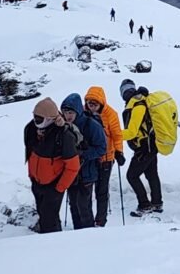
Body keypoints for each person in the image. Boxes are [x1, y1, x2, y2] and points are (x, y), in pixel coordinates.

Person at [24, 98, 80, 234]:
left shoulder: (64, 135)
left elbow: (73, 167)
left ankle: (52, 247)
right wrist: (32, 177)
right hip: (37, 183)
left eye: (39, 119)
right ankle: (53, 240)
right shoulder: (30, 129)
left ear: (50, 118)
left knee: (49, 221)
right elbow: (30, 154)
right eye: (35, 117)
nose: (35, 121)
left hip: (53, 185)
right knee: (45, 216)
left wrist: (59, 189)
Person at [60, 94, 106, 230]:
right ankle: (77, 234)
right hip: (71, 173)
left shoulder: (91, 125)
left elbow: (102, 148)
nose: (67, 115)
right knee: (73, 205)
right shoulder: (64, 126)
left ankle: (88, 235)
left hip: (87, 173)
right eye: (65, 112)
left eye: (70, 112)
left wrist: (82, 154)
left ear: (78, 111)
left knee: (83, 206)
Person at [119, 79, 162, 216]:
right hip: (151, 145)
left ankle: (144, 204)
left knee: (131, 176)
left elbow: (132, 131)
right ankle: (156, 203)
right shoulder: (140, 101)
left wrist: (113, 135)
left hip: (144, 147)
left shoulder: (138, 105)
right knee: (151, 175)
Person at [84, 86, 124, 227]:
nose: (91, 106)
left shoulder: (111, 114)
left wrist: (119, 151)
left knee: (101, 190)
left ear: (101, 102)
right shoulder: (83, 113)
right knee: (86, 190)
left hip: (106, 158)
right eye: (89, 102)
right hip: (89, 158)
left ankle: (101, 220)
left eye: (94, 103)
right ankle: (87, 220)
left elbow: (117, 135)